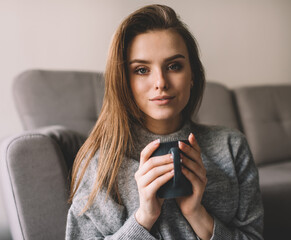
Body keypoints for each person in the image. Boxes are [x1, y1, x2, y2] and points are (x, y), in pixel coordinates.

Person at [66, 4, 263, 240]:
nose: (160, 82)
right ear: (123, 82)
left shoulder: (231, 146)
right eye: (141, 70)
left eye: (174, 66)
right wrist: (144, 217)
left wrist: (197, 214)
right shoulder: (100, 163)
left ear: (193, 76)